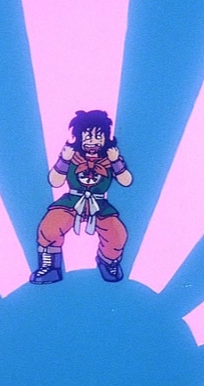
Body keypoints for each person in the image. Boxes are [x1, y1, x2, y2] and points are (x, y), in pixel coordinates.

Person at [30, 110, 132, 284]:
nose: (93, 141)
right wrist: (64, 159)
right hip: (71, 201)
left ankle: (108, 262)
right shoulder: (72, 157)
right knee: (50, 227)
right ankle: (50, 267)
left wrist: (116, 161)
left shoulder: (110, 159)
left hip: (99, 204)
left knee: (117, 233)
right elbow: (55, 181)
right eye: (88, 136)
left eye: (98, 136)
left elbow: (126, 181)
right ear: (79, 137)